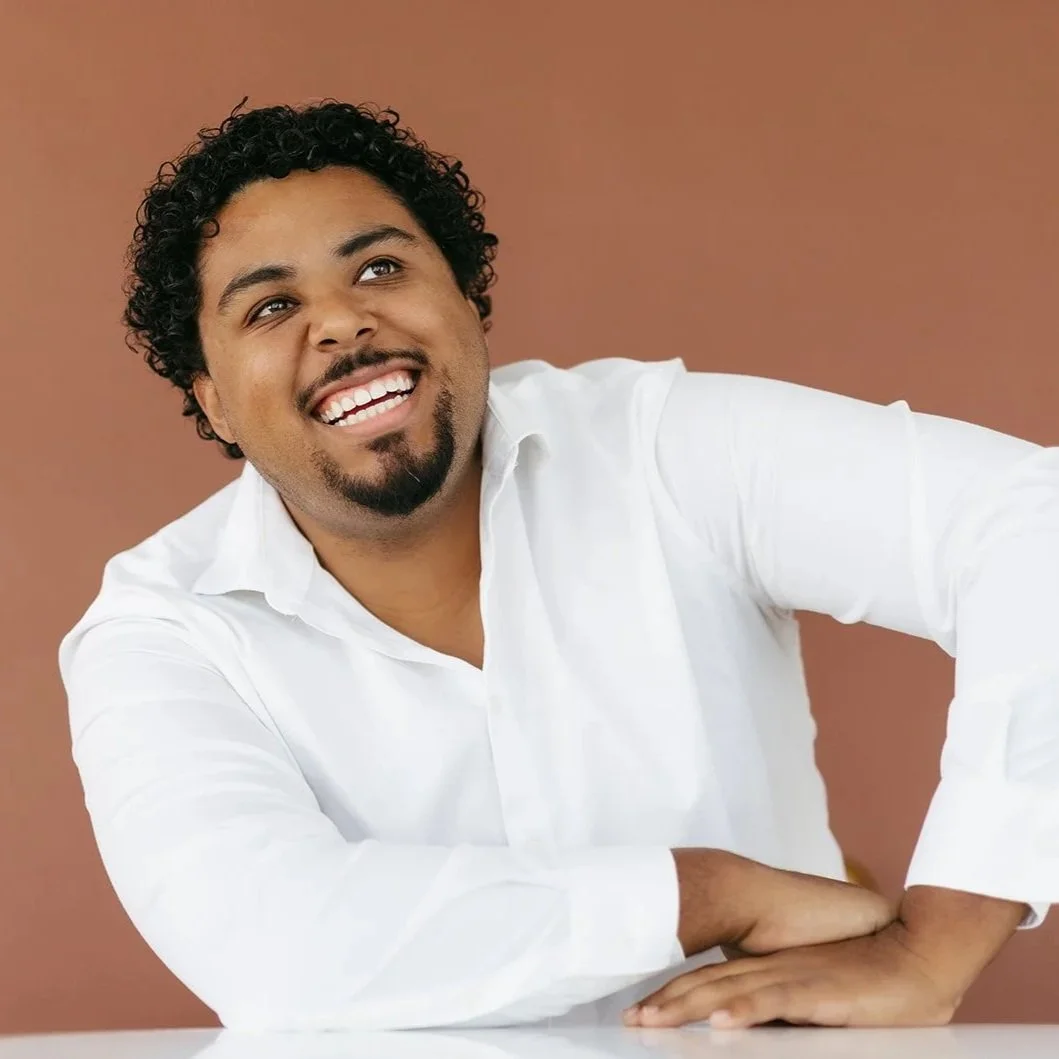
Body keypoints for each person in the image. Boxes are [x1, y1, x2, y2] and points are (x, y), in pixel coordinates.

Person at [58, 100, 1056, 1032]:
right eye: (270, 306)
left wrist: (939, 941)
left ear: (466, 299)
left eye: (379, 269)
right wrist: (708, 893)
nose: (340, 323)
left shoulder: (656, 450)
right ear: (215, 401)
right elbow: (267, 941)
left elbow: (1028, 520)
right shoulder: (163, 633)